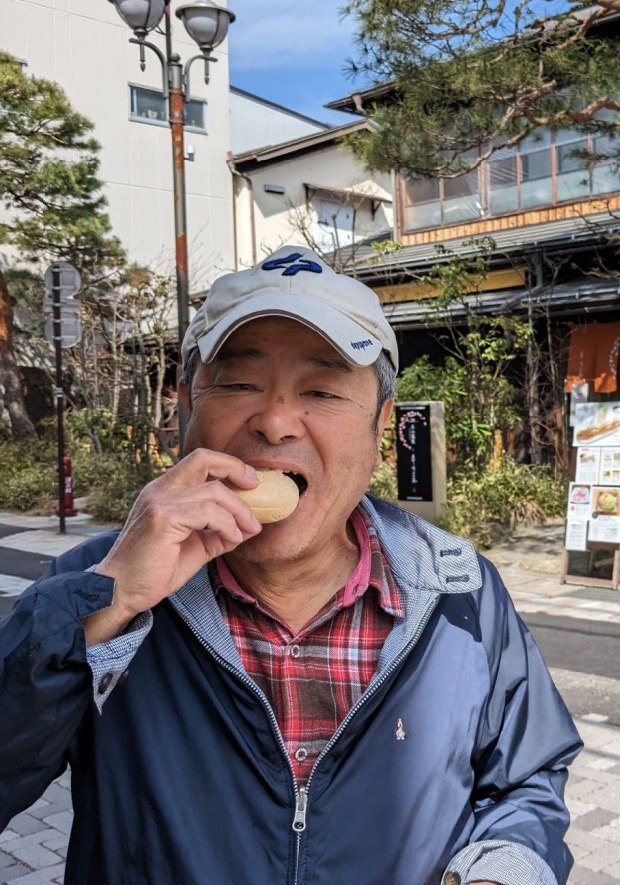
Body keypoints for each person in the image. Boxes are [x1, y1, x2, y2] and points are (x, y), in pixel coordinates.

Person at [0, 245, 582, 885]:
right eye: (240, 383)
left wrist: (505, 870)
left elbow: (526, 779)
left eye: (323, 389)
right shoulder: (92, 587)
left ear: (381, 426)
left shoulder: (460, 592)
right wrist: (106, 604)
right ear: (187, 410)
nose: (276, 422)